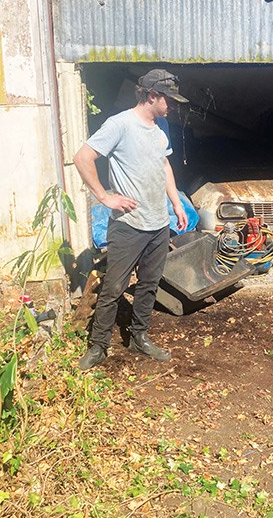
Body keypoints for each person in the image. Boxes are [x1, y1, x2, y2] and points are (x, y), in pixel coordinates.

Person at [73, 69, 189, 371]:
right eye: (169, 100)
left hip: (158, 223)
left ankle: (139, 336)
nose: (172, 106)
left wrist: (176, 203)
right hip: (128, 225)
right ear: (152, 95)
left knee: (149, 284)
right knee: (114, 287)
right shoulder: (120, 125)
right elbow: (83, 157)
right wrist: (104, 196)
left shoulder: (161, 125)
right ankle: (98, 346)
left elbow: (164, 164)